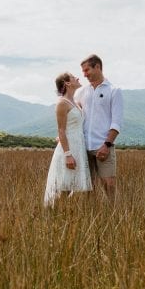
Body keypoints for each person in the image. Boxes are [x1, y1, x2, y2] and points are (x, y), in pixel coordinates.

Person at [74, 54, 123, 201]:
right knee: (88, 190)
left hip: (103, 146)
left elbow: (116, 122)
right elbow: (74, 116)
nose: (84, 74)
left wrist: (107, 145)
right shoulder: (81, 92)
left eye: (87, 70)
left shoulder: (114, 90)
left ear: (98, 67)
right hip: (83, 148)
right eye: (83, 71)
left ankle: (115, 217)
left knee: (109, 186)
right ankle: (93, 219)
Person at [43, 73, 92, 207]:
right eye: (73, 77)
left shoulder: (76, 103)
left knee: (76, 185)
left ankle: (66, 212)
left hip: (79, 147)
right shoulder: (62, 103)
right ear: (67, 83)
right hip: (68, 149)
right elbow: (61, 130)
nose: (77, 78)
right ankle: (55, 214)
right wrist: (68, 155)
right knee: (64, 187)